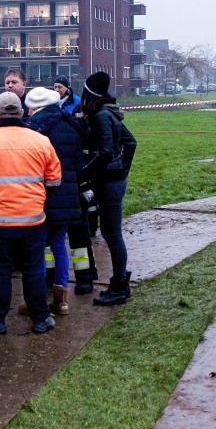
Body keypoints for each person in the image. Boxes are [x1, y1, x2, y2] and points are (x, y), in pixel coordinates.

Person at [0, 92, 62, 335]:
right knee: (33, 269)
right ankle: (40, 319)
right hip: (32, 219)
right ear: (22, 112)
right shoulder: (40, 141)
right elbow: (55, 182)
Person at [24, 87, 84, 315]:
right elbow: (79, 163)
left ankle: (37, 300)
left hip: (42, 194)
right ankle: (62, 299)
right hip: (67, 194)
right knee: (59, 244)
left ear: (34, 106)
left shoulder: (34, 128)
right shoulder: (70, 124)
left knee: (38, 248)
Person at [80, 72, 137, 306]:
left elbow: (103, 153)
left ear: (89, 94)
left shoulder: (102, 116)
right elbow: (130, 142)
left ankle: (119, 285)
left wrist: (83, 172)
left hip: (109, 181)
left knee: (112, 234)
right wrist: (123, 168)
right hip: (114, 179)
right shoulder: (110, 113)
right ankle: (119, 282)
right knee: (112, 233)